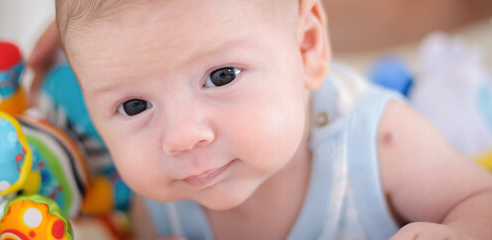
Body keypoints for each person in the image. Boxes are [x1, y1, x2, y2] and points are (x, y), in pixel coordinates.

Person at [30, 0, 492, 239]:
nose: (181, 138)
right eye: (134, 106)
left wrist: (460, 229)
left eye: (221, 76)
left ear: (307, 48)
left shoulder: (379, 140)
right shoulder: (160, 202)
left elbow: (480, 197)